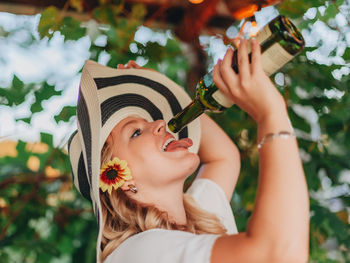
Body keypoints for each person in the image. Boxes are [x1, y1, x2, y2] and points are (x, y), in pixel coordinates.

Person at [68, 38, 309, 263]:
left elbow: (223, 158)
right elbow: (278, 254)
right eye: (136, 132)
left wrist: (168, 90)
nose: (160, 122)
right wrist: (270, 112)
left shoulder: (197, 221)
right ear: (120, 179)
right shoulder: (139, 252)